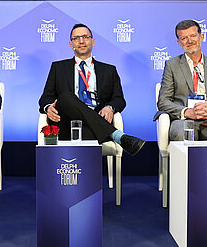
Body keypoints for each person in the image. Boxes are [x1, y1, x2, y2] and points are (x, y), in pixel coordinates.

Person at [38, 23, 145, 155]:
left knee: (88, 130)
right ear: (71, 44)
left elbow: (119, 99)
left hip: (94, 125)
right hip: (67, 124)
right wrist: (48, 108)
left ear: (93, 41)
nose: (81, 41)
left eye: (85, 37)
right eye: (76, 38)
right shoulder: (58, 68)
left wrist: (110, 107)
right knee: (65, 97)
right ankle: (117, 136)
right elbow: (45, 98)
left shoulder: (109, 70)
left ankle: (106, 132)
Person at [157, 19, 207, 142]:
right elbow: (163, 101)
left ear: (201, 37)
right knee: (182, 134)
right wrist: (187, 112)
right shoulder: (172, 65)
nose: (189, 41)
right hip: (184, 120)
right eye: (184, 38)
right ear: (179, 42)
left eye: (193, 36)